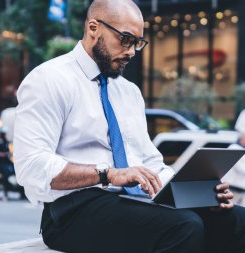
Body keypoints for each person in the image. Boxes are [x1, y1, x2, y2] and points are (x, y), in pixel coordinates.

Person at [13, 0, 245, 252]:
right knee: (183, 226)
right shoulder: (48, 79)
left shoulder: (129, 91)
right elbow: (31, 166)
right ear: (93, 28)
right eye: (125, 39)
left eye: (138, 42)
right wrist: (108, 173)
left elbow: (151, 162)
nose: (133, 51)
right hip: (70, 212)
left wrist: (194, 191)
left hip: (130, 202)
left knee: (235, 219)